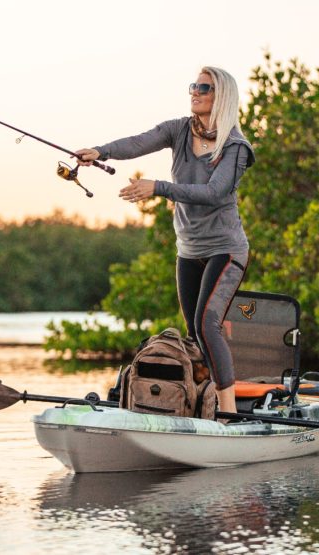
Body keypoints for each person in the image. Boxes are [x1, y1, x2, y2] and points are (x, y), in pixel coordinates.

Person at [75, 67, 255, 414]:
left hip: (226, 249)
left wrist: (158, 187)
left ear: (223, 98)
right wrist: (100, 152)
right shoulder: (178, 129)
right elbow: (139, 141)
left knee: (207, 324)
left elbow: (213, 193)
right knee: (195, 332)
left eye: (204, 88)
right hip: (188, 250)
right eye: (194, 86)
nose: (195, 92)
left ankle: (229, 412)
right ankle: (198, 401)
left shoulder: (236, 148)